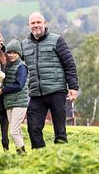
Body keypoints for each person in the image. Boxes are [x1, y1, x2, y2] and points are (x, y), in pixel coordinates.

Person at [21, 12, 78, 148]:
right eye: (33, 23)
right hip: (36, 94)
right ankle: (41, 158)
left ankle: (60, 158)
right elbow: (14, 62)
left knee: (60, 131)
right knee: (33, 129)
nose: (36, 25)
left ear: (44, 23)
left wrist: (73, 87)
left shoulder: (57, 40)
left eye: (38, 22)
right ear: (29, 26)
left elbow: (69, 64)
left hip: (56, 91)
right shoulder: (24, 44)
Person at [0, 38, 29, 154]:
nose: (11, 55)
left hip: (19, 103)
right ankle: (22, 153)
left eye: (15, 53)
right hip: (9, 103)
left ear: (19, 54)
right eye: (9, 52)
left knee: (13, 131)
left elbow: (19, 85)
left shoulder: (21, 67)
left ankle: (22, 154)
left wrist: (2, 90)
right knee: (16, 130)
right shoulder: (6, 67)